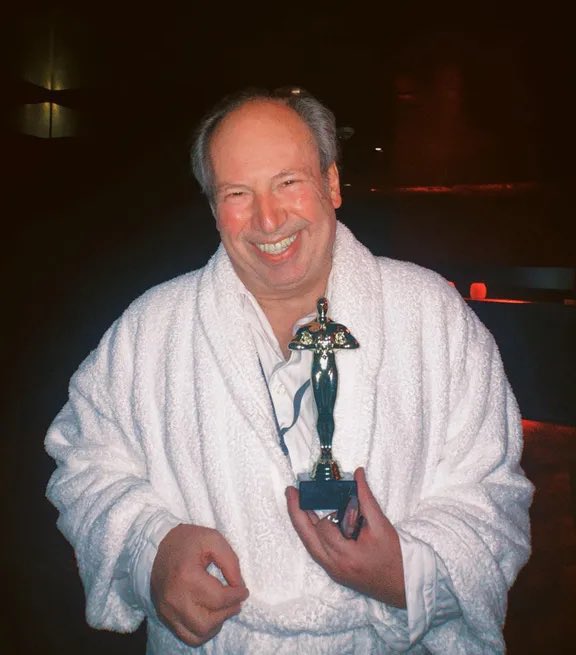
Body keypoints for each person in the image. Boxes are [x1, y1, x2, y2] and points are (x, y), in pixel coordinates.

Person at [45, 87, 533, 654]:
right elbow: (83, 462)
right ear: (214, 209)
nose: (268, 218)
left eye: (288, 182)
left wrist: (409, 575)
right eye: (237, 193)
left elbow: (493, 495)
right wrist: (149, 551)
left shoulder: (432, 318)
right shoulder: (150, 331)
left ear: (331, 183)